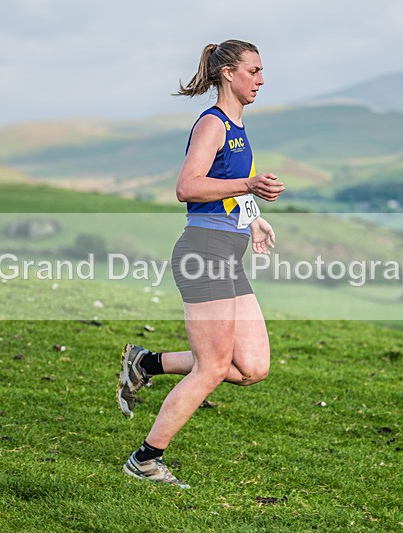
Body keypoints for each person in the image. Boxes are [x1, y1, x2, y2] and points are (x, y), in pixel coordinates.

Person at [116, 39, 285, 488]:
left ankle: (145, 363)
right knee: (212, 367)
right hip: (203, 254)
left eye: (262, 72)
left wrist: (252, 220)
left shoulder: (239, 128)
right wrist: (250, 184)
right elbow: (187, 187)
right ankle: (146, 459)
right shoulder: (212, 123)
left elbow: (225, 190)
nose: (261, 80)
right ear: (228, 73)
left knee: (252, 367)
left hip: (228, 252)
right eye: (254, 71)